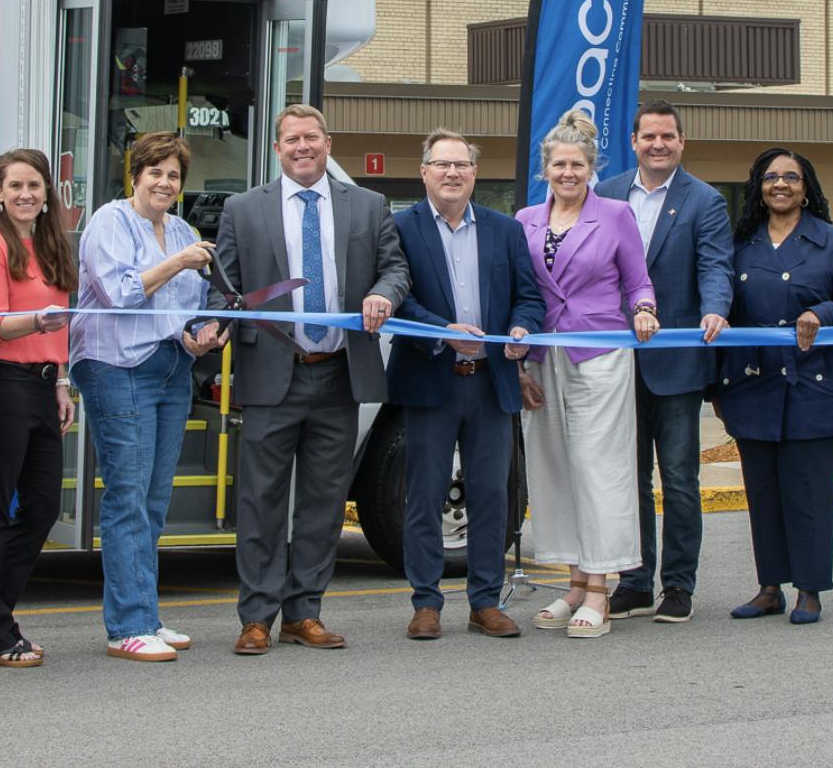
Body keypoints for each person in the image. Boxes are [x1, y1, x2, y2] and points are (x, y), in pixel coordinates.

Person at [214, 103, 409, 654]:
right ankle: (256, 618)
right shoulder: (243, 209)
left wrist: (383, 294)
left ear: (328, 143)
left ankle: (305, 613)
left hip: (339, 375)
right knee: (260, 502)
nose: (302, 147)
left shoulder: (368, 206)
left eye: (312, 138)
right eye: (291, 139)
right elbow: (225, 289)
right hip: (271, 376)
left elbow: (395, 268)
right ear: (277, 149)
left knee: (323, 505)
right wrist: (214, 326)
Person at [73, 133, 229, 663]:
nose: (165, 183)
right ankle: (128, 625)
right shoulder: (109, 221)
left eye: (174, 175)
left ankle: (146, 611)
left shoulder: (181, 229)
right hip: (117, 367)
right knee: (127, 497)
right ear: (134, 175)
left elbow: (190, 306)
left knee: (154, 499)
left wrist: (202, 332)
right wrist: (180, 263)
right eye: (155, 172)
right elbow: (120, 293)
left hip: (170, 366)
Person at [388, 128, 545, 640]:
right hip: (430, 378)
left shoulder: (505, 229)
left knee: (491, 497)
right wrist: (441, 330)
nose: (452, 173)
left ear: (475, 173)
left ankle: (485, 601)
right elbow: (397, 298)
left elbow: (530, 297)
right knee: (424, 496)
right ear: (424, 171)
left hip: (490, 382)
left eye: (461, 165)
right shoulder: (399, 228)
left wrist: (523, 330)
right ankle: (426, 602)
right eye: (442, 164)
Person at [715, 147, 833, 625]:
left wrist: (821, 314)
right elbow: (726, 311)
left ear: (807, 190)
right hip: (754, 387)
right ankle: (770, 587)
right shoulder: (741, 243)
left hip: (815, 389)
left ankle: (809, 589)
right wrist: (719, 388)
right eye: (770, 177)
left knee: (807, 493)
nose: (780, 184)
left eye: (791, 177)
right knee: (762, 494)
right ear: (758, 188)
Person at [515, 108, 657, 639]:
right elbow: (523, 293)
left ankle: (600, 587)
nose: (567, 173)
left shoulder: (616, 215)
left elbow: (638, 282)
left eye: (577, 164)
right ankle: (573, 582)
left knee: (599, 466)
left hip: (598, 353)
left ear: (590, 168)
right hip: (543, 358)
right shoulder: (525, 220)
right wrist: (524, 363)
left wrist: (644, 311)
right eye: (558, 165)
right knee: (554, 468)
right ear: (545, 169)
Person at [595, 100, 731, 623]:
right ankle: (633, 581)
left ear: (682, 142)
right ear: (633, 141)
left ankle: (677, 586)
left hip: (676, 364)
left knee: (678, 480)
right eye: (648, 136)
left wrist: (716, 309)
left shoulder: (705, 201)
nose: (658, 144)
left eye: (667, 136)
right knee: (628, 479)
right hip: (616, 364)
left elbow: (714, 267)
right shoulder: (604, 194)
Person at [0, 149, 76, 667]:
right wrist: (39, 322)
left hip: (43, 383)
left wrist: (61, 382)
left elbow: (64, 325)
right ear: (0, 194)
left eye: (35, 186)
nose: (27, 195)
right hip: (1, 384)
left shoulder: (50, 241)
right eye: (16, 187)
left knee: (44, 506)